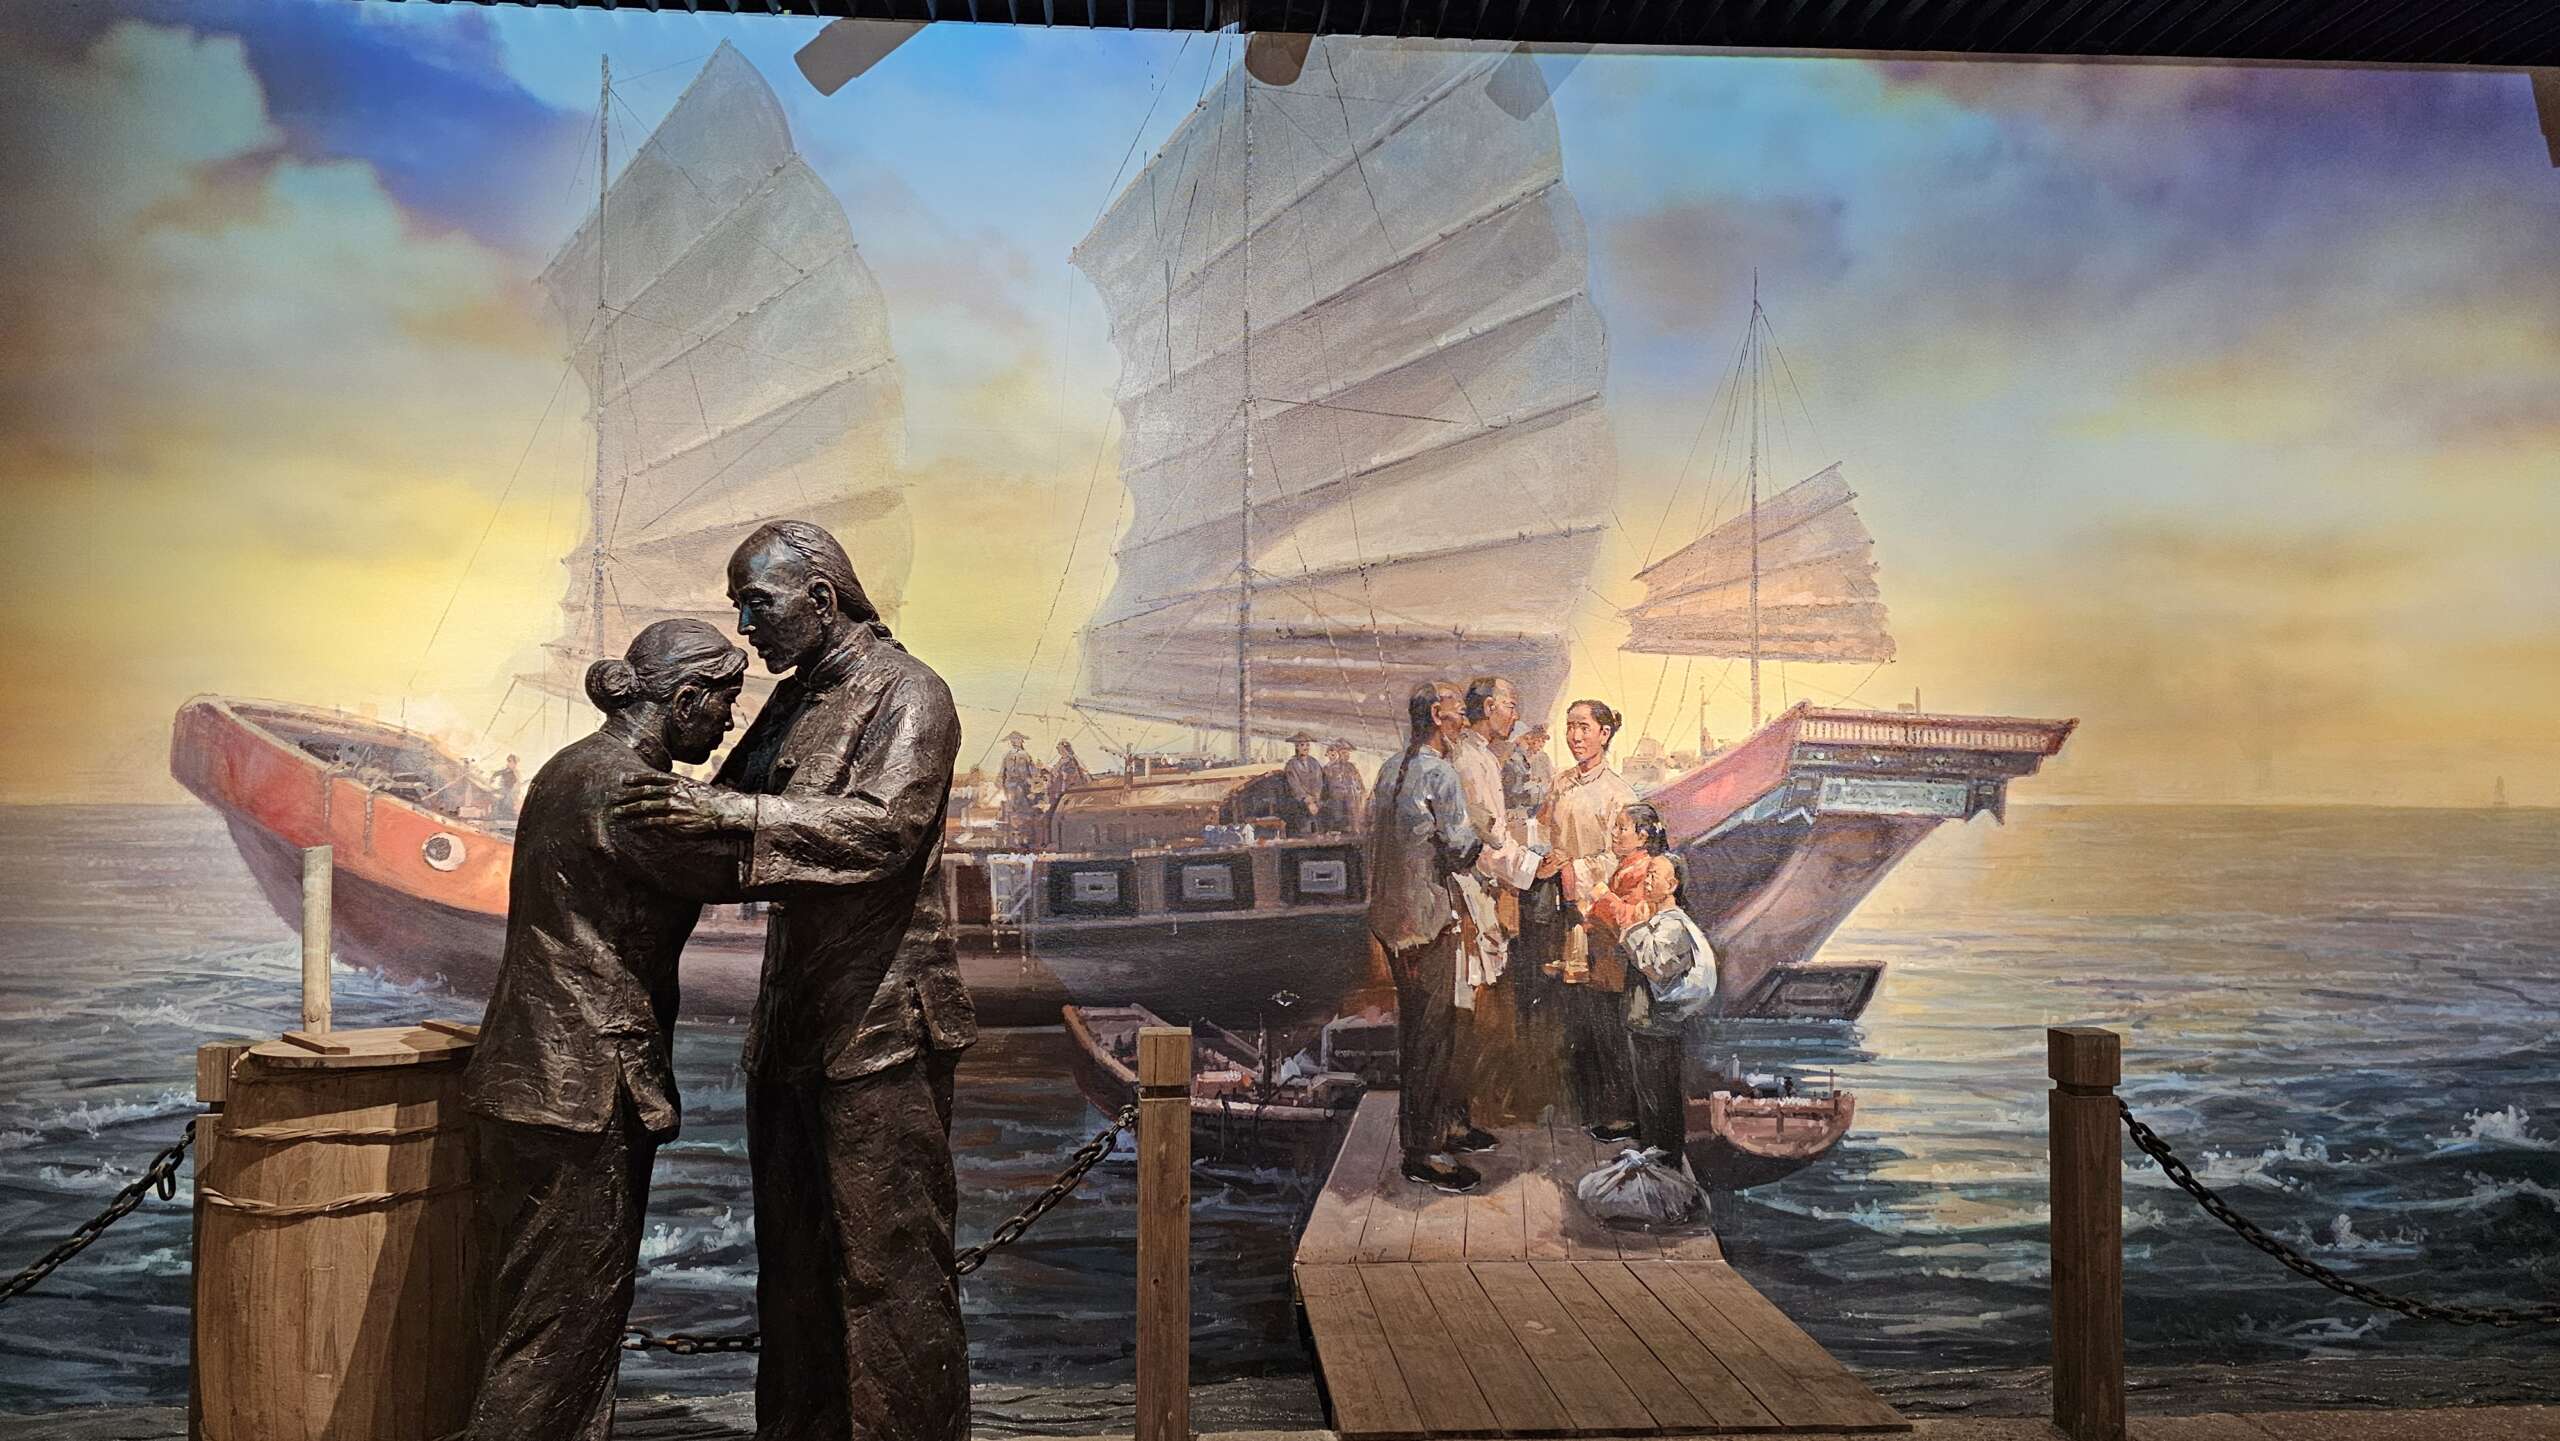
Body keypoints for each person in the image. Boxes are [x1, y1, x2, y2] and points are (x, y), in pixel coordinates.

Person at [614, 520, 976, 1441]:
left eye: (758, 604)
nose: (745, 627)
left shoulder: (911, 694)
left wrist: (730, 811)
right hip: (791, 1031)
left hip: (883, 1030)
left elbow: (883, 830)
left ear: (822, 599)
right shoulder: (785, 706)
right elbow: (705, 812)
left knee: (890, 1275)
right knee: (796, 1273)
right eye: (738, 606)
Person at [461, 620, 748, 1441]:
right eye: (724, 704)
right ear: (684, 699)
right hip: (583, 1087)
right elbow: (751, 860)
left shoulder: (571, 767)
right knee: (562, 1332)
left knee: (545, 1318)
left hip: (538, 1075)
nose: (727, 723)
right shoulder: (633, 792)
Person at [1364, 681, 1483, 1194]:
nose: (1462, 722)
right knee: (1432, 1034)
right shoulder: (1441, 772)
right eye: (1458, 714)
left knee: (1415, 1031)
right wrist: (1487, 837)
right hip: (1428, 922)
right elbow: (1458, 850)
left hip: (1390, 923)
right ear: (1437, 715)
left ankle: (1429, 1135)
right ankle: (1425, 1151)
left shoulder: (1390, 769)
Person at [1535, 699, 1640, 1141]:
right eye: (1570, 727)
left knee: (1605, 1013)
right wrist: (1546, 857)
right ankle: (1581, 1105)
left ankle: (1618, 1112)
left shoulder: (1620, 794)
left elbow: (1622, 859)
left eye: (1584, 728)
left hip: (1599, 914)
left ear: (1605, 734)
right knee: (1572, 1013)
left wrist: (1570, 868)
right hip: (1564, 911)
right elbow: (1543, 833)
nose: (1575, 737)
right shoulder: (1560, 784)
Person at [1571, 801, 1698, 1160]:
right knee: (1622, 1051)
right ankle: (1638, 1130)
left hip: (1623, 973)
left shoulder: (1644, 871)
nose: (1614, 834)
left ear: (1643, 836)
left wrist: (1602, 900)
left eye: (1622, 828)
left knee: (1632, 1054)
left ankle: (1644, 1136)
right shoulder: (1631, 868)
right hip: (1610, 970)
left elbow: (1633, 921)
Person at [1282, 731, 1326, 836]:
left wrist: (1315, 799)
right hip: (1299, 804)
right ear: (1297, 747)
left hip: (1315, 802)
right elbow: (1294, 785)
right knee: (1302, 828)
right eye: (1302, 745)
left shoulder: (1314, 762)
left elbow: (1318, 782)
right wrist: (1307, 800)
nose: (1306, 747)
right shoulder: (1291, 764)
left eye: (1307, 745)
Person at [1318, 739, 1365, 834]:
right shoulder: (1328, 769)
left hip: (1352, 808)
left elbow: (1360, 785)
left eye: (1348, 753)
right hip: (1335, 808)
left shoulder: (1351, 767)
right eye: (1344, 753)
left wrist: (1361, 795)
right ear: (1338, 753)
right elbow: (1323, 791)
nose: (1347, 755)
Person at [999, 732, 1037, 844]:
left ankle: (1025, 833)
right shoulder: (1008, 755)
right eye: (1012, 739)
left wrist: (1033, 782)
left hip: (1023, 784)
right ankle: (1012, 833)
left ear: (1021, 741)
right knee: (1011, 807)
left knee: (1024, 807)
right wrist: (1000, 780)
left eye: (1016, 739)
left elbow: (1032, 769)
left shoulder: (1025, 755)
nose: (1013, 741)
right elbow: (1003, 769)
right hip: (1010, 784)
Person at [491, 753, 522, 826]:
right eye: (509, 761)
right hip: (505, 790)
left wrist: (517, 790)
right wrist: (492, 778)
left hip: (511, 791)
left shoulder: (516, 772)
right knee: (503, 801)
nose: (510, 763)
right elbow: (497, 773)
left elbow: (518, 783)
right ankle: (500, 816)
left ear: (515, 763)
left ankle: (507, 817)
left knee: (508, 802)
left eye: (512, 762)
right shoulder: (506, 770)